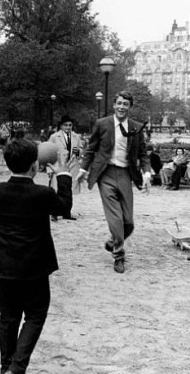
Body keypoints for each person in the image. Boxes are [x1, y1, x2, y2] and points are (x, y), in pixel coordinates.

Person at [0, 139, 72, 374]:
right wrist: (63, 174)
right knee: (35, 315)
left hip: (5, 263)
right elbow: (64, 207)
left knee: (8, 318)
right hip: (35, 265)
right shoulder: (43, 193)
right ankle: (17, 367)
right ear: (35, 166)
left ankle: (6, 365)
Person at [76, 91, 151, 274]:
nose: (121, 107)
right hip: (106, 174)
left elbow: (142, 153)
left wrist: (147, 174)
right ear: (114, 105)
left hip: (126, 174)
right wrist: (83, 170)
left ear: (130, 107)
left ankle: (113, 242)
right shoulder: (102, 124)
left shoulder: (136, 127)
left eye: (125, 104)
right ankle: (119, 255)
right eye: (119, 103)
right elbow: (91, 149)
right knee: (116, 219)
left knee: (129, 222)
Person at [48, 114, 82, 220]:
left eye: (70, 125)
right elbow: (48, 152)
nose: (68, 127)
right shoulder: (54, 137)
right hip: (58, 166)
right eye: (65, 125)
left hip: (71, 165)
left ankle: (67, 212)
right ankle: (54, 213)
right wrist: (49, 169)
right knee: (57, 189)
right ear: (61, 126)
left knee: (68, 191)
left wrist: (79, 151)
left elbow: (81, 150)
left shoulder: (77, 137)